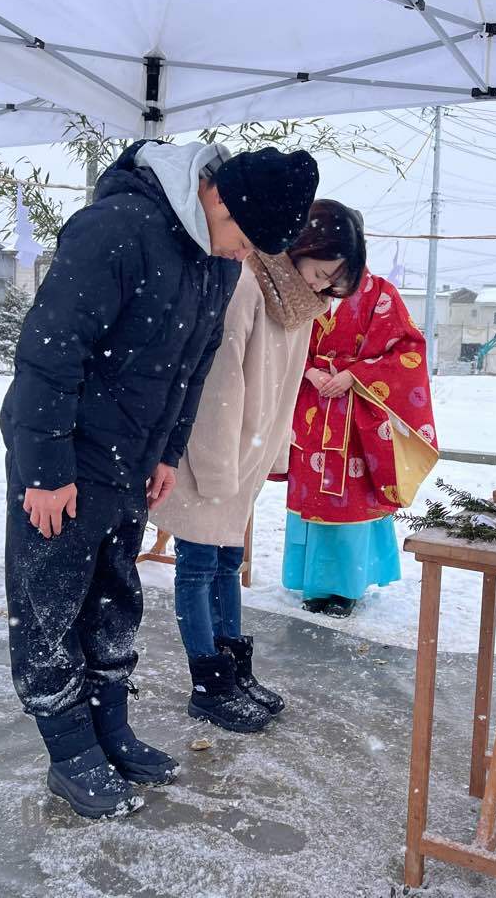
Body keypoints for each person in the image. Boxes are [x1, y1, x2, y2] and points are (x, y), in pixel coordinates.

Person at [1, 140, 318, 820]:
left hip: (132, 460)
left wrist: (168, 451)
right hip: (68, 457)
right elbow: (49, 353)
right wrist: (46, 470)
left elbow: (192, 369)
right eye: (244, 239)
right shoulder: (117, 228)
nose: (242, 257)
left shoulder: (215, 262)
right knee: (51, 605)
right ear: (217, 198)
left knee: (114, 597)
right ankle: (68, 750)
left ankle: (109, 728)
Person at [150, 200, 366, 733]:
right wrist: (220, 467)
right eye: (320, 275)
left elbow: (285, 389)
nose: (323, 291)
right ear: (298, 250)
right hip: (208, 454)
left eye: (333, 286)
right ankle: (208, 683)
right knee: (197, 565)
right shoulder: (247, 284)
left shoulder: (294, 302)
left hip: (241, 455)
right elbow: (219, 385)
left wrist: (270, 454)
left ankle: (233, 670)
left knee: (227, 564)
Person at [282, 264, 439, 618]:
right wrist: (309, 370)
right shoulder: (307, 289)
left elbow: (407, 351)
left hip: (359, 415)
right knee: (312, 497)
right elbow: (285, 338)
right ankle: (311, 582)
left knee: (351, 502)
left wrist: (356, 374)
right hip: (312, 407)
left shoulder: (381, 294)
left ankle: (346, 588)